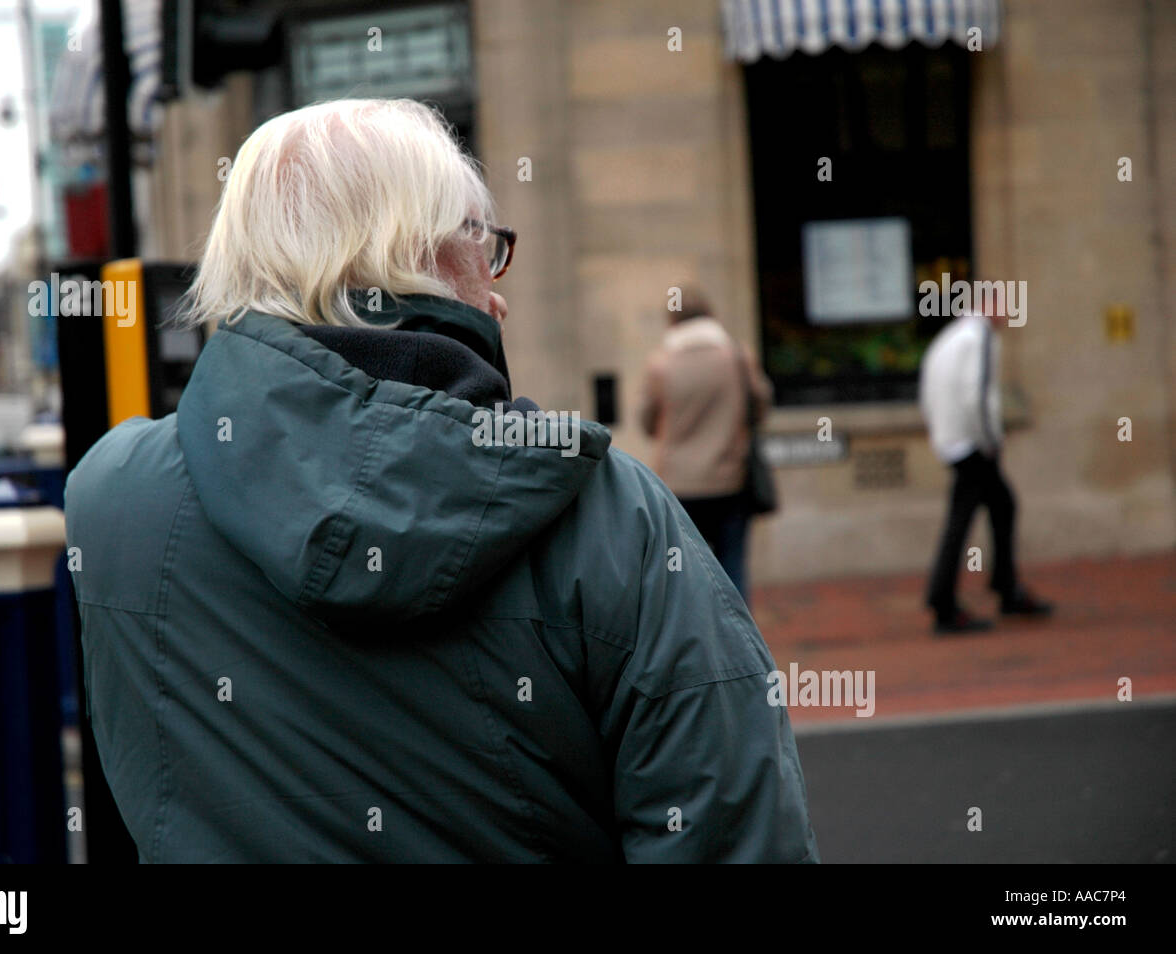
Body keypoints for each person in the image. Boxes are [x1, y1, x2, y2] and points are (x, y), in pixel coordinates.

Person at [64, 99, 818, 862]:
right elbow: (737, 839)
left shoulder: (113, 500)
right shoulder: (611, 517)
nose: (499, 293)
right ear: (412, 255)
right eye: (483, 244)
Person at [919, 304, 1053, 634]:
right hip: (971, 444)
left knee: (999, 506)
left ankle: (1002, 587)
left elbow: (929, 389)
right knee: (967, 518)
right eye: (1002, 303)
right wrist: (990, 440)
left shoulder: (951, 337)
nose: (1008, 311)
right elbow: (976, 395)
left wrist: (943, 435)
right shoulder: (979, 336)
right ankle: (947, 601)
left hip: (954, 440)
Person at [639, 289, 772, 604]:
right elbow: (761, 407)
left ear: (673, 320)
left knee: (684, 571)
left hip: (679, 486)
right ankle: (739, 648)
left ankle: (696, 644)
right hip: (731, 479)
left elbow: (647, 422)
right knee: (732, 566)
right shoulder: (738, 357)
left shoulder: (661, 365)